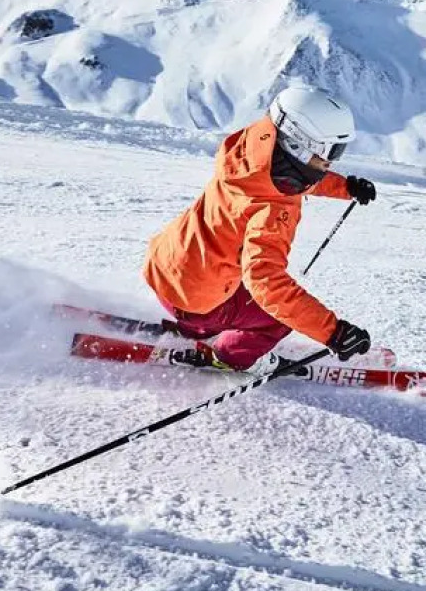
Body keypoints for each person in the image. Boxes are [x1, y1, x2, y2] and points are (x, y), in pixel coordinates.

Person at [142, 84, 377, 375]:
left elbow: (295, 174)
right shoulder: (272, 209)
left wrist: (345, 187)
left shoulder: (250, 148)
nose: (332, 160)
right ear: (298, 145)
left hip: (165, 265)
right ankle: (226, 356)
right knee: (277, 319)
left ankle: (198, 328)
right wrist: (333, 332)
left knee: (242, 287)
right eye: (329, 150)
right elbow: (267, 283)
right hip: (195, 302)